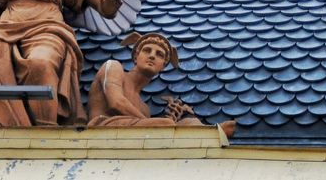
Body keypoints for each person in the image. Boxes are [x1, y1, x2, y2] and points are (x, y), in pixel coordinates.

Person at [89, 31, 235, 133]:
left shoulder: (144, 108)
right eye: (147, 50)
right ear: (136, 56)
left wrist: (169, 121)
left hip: (127, 134)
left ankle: (210, 132)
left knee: (189, 123)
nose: (152, 56)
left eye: (159, 54)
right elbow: (117, 102)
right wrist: (160, 125)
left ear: (163, 65)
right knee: (167, 124)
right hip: (102, 128)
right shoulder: (113, 66)